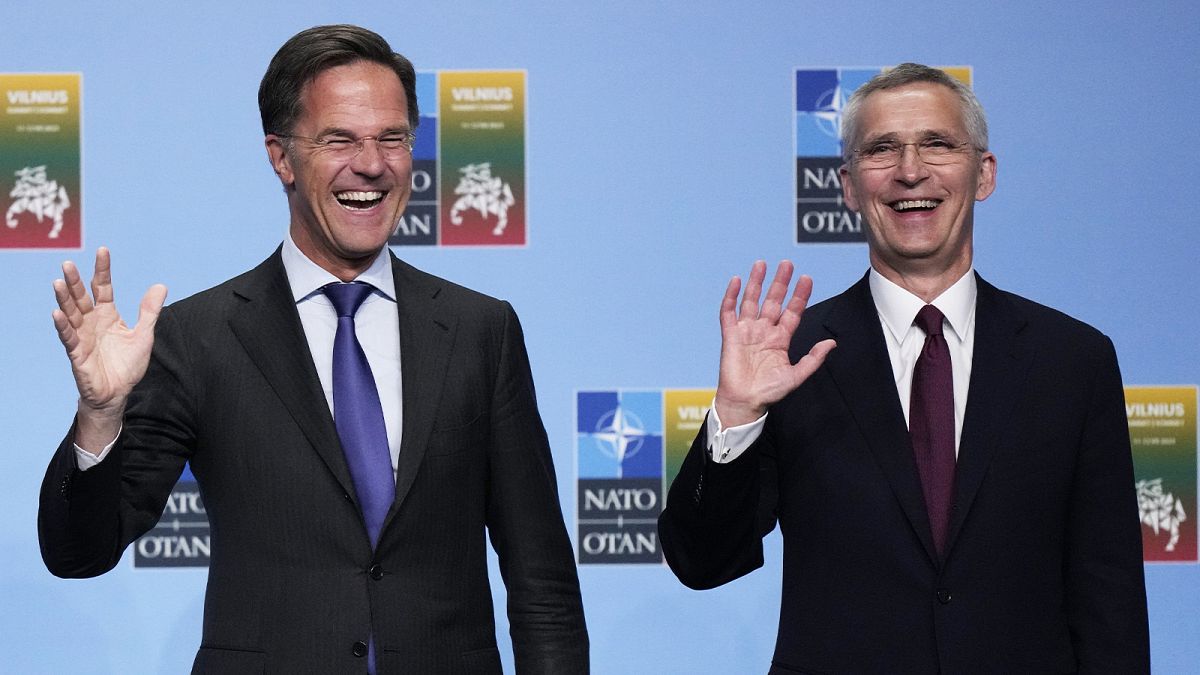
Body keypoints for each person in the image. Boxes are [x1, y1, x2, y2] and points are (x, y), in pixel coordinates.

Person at [38, 24, 588, 674]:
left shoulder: (480, 331)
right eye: (340, 140)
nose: (372, 164)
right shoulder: (199, 336)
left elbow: (541, 579)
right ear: (280, 157)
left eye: (392, 138)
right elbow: (81, 550)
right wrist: (101, 415)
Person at [658, 63, 1149, 673]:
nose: (910, 171)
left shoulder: (1072, 359)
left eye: (938, 145)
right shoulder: (790, 356)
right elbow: (701, 562)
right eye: (882, 150)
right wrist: (736, 414)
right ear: (846, 185)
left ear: (984, 173)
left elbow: (1110, 599)